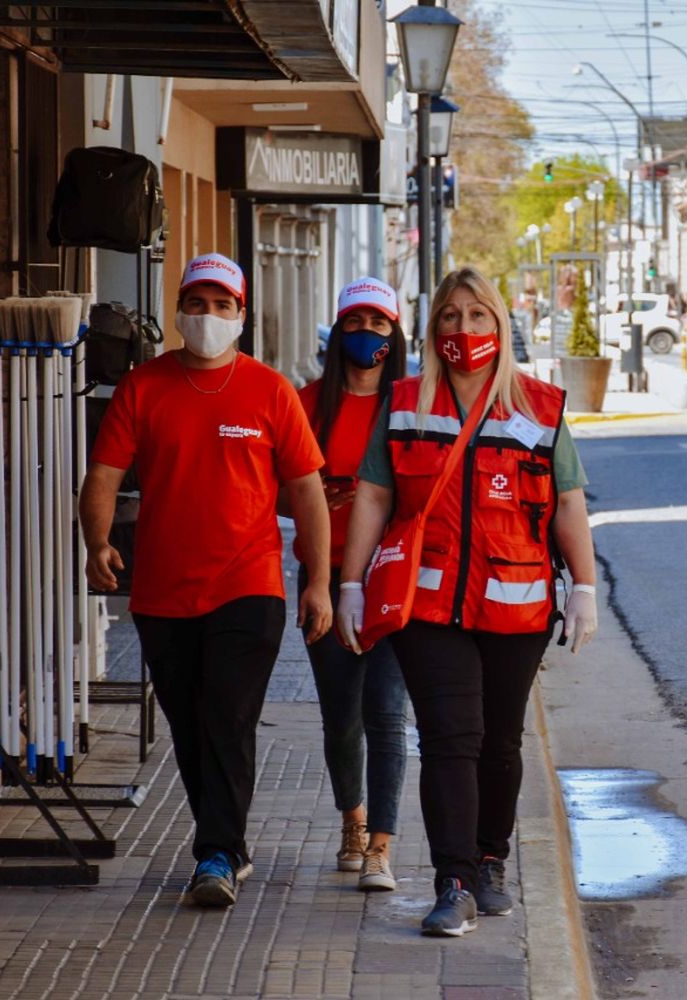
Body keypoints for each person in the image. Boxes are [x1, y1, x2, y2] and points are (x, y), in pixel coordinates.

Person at [337, 267, 599, 938]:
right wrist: (350, 583)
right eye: (450, 318)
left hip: (517, 607)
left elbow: (568, 499)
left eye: (477, 316)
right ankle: (452, 882)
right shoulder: (403, 403)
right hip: (427, 610)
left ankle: (490, 859)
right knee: (450, 739)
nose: (463, 329)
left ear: (499, 326)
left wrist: (586, 589)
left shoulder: (539, 406)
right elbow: (372, 493)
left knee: (500, 744)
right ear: (433, 331)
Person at [80, 252, 333, 909]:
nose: (209, 316)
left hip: (249, 586)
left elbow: (307, 490)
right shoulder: (144, 387)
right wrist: (97, 543)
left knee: (226, 714)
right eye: (198, 303)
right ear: (179, 313)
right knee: (190, 726)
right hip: (163, 593)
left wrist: (319, 581)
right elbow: (104, 474)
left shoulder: (270, 391)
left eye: (223, 305)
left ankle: (215, 853)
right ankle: (227, 845)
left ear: (241, 316)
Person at [297, 277, 410, 893]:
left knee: (387, 716)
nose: (367, 332)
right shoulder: (308, 402)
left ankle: (382, 848)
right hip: (323, 577)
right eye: (355, 321)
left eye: (379, 322)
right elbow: (285, 486)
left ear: (394, 335)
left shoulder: (411, 405)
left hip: (393, 580)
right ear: (338, 330)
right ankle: (353, 822)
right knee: (342, 718)